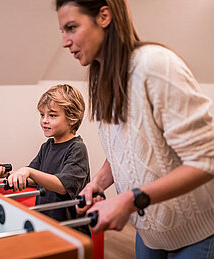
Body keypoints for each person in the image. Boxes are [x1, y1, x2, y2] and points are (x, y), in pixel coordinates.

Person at [55, 0, 214, 258]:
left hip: (198, 233)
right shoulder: (102, 76)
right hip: (149, 234)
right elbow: (127, 146)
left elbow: (207, 159)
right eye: (62, 31)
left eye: (72, 28)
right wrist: (98, 182)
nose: (64, 41)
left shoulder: (156, 65)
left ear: (104, 16)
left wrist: (129, 200)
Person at [0, 84, 91, 234]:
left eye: (52, 115)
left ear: (72, 118)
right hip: (45, 222)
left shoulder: (77, 148)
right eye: (42, 115)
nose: (45, 120)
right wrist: (10, 175)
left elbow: (62, 186)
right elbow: (34, 179)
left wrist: (28, 171)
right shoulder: (47, 146)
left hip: (69, 230)